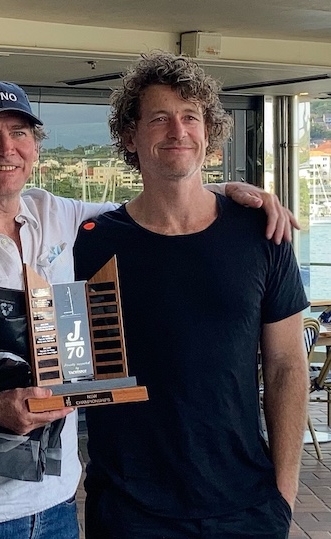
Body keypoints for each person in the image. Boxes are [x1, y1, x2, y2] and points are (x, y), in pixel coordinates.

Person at [0, 78, 298, 539]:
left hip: (56, 507)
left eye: (20, 132)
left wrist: (237, 192)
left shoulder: (61, 218)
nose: (6, 146)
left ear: (35, 148)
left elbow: (162, 204)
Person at [74, 52, 309, 539]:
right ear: (130, 137)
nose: (177, 131)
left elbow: (287, 365)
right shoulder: (92, 241)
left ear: (209, 133)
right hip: (129, 509)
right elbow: (76, 367)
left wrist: (284, 493)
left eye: (190, 117)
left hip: (246, 505)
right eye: (159, 118)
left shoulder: (262, 233)